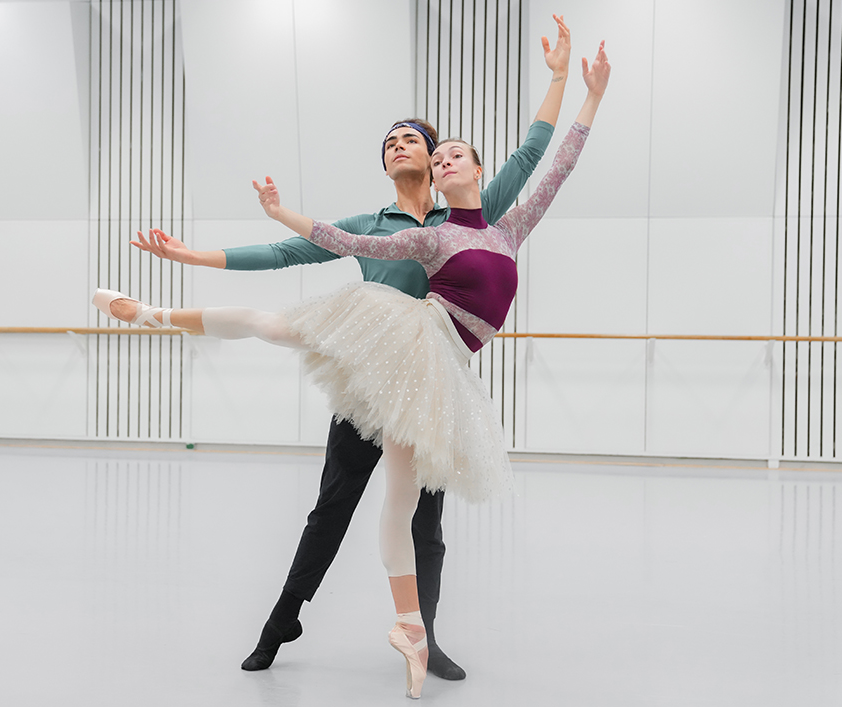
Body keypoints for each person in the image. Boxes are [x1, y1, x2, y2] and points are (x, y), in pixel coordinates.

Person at [95, 39, 609, 699]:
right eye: (389, 141)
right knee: (331, 508)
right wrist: (193, 254)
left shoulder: (469, 209)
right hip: (364, 373)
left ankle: (423, 629)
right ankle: (282, 619)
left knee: (425, 519)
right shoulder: (380, 222)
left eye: (414, 139)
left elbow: (539, 157)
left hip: (426, 386)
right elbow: (290, 250)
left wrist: (567, 80)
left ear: (439, 157)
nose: (401, 145)